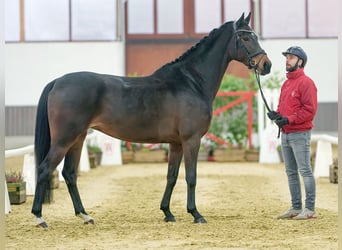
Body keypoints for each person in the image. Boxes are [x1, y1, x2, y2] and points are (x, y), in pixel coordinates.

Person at [267, 46, 318, 220]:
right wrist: (277, 115)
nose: (287, 60)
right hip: (287, 134)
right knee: (291, 172)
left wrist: (289, 120)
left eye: (291, 57)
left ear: (300, 62)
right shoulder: (287, 83)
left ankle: (309, 209)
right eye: (286, 57)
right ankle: (296, 207)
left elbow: (309, 110)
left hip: (300, 134)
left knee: (305, 170)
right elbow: (286, 108)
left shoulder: (307, 83)